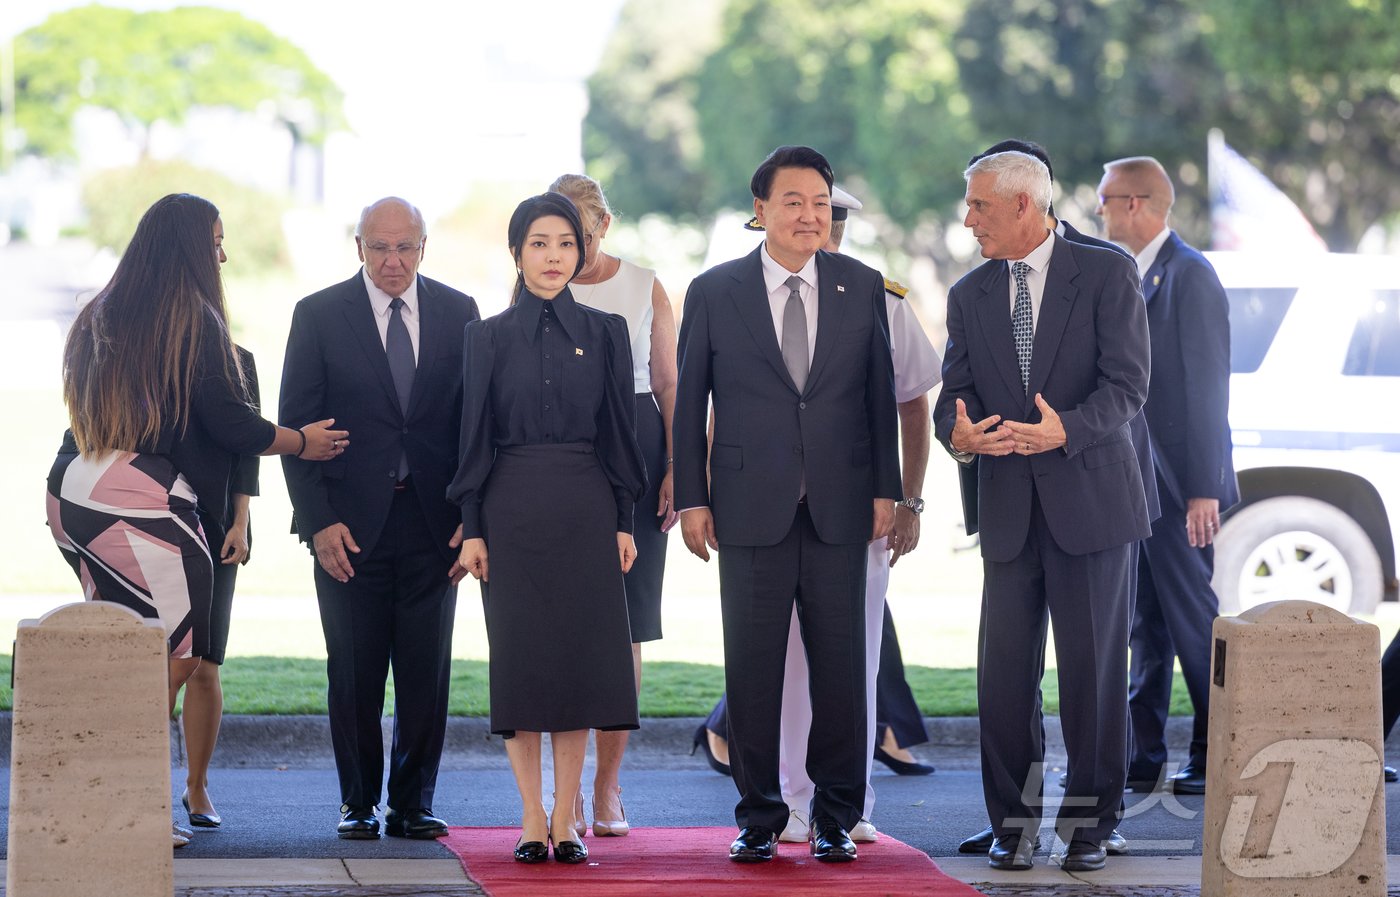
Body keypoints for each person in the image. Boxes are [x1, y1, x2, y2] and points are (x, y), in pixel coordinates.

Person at [45, 192, 345, 847]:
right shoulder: (194, 320)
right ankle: (130, 799)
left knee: (133, 649)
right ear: (189, 244)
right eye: (216, 238)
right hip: (144, 501)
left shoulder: (101, 314)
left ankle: (102, 789)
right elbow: (228, 421)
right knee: (179, 655)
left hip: (73, 491)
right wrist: (302, 441)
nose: (224, 251)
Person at [673, 145, 902, 864]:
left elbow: (879, 401)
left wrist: (887, 492)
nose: (811, 215)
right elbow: (688, 409)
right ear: (761, 210)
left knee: (842, 670)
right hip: (746, 510)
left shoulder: (864, 287)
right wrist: (691, 499)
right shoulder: (713, 292)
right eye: (794, 201)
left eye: (820, 202)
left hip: (840, 508)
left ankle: (835, 814)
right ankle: (760, 814)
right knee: (752, 670)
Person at [933, 151, 1151, 872]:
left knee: (1090, 679)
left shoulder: (1109, 273)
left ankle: (1089, 827)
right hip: (1006, 512)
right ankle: (1013, 825)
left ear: (1024, 204)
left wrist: (1070, 428)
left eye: (979, 207)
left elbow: (1128, 387)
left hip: (1092, 504)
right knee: (1002, 681)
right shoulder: (968, 294)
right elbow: (951, 395)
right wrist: (956, 435)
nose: (968, 220)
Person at [448, 192, 646, 866]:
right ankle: (532, 816)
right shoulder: (485, 337)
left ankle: (567, 821)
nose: (554, 255)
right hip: (509, 513)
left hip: (588, 510)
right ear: (517, 252)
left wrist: (624, 517)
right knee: (525, 663)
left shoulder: (610, 331)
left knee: (579, 667)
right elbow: (470, 440)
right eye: (539, 243)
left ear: (581, 251)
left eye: (565, 242)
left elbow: (621, 434)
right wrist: (471, 524)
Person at [280, 197, 480, 841]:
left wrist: (470, 518)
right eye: (379, 247)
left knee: (427, 669)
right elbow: (297, 430)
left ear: (425, 247)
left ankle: (413, 802)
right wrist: (317, 523)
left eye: (406, 247)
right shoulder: (316, 315)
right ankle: (358, 801)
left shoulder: (459, 313)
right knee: (355, 668)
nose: (393, 261)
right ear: (358, 247)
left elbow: (478, 429)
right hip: (347, 527)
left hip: (434, 523)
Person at [1096, 156, 1238, 796]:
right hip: (1140, 485)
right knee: (1142, 624)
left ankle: (1218, 750)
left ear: (1135, 204)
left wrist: (1204, 487)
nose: (1099, 212)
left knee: (1193, 625)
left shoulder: (1189, 274)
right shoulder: (1139, 272)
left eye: (1105, 201)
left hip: (1183, 488)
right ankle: (1142, 756)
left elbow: (1209, 388)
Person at [547, 173, 679, 837]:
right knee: (565, 619)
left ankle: (606, 784)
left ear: (605, 224)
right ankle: (564, 787)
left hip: (637, 439)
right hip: (559, 446)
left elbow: (668, 379)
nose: (574, 243)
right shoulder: (539, 279)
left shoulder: (644, 283)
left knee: (628, 622)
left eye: (583, 229)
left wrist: (682, 464)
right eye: (560, 231)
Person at [179, 219, 262, 830]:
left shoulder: (241, 361)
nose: (225, 256)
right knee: (160, 662)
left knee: (207, 662)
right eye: (215, 243)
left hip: (215, 528)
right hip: (154, 521)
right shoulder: (152, 357)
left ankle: (198, 787)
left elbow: (245, 452)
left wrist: (241, 520)